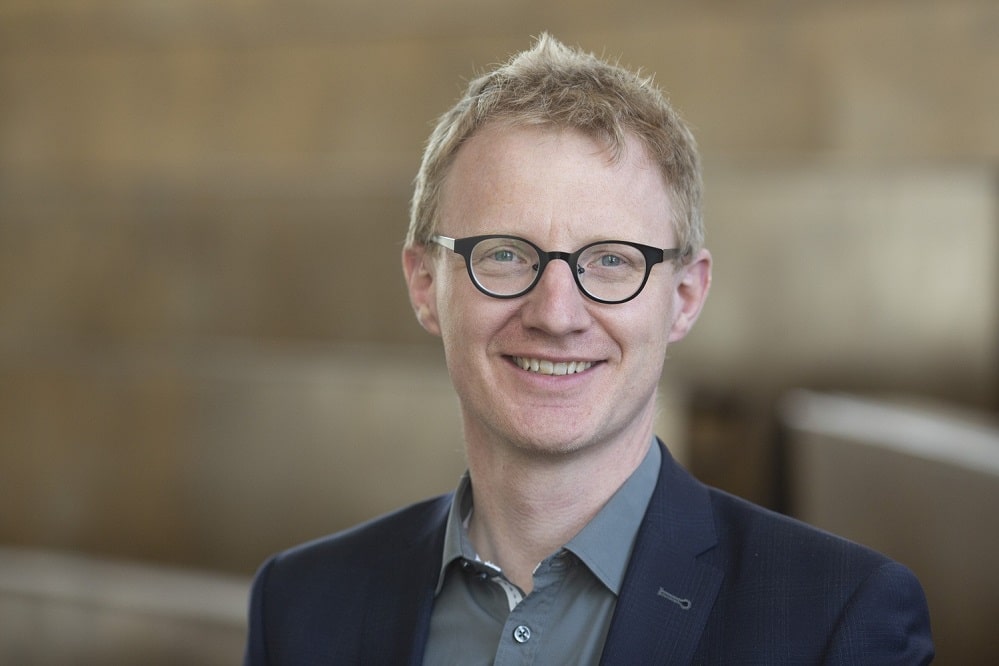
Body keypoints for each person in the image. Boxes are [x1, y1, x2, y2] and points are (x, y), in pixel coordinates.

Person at [244, 34, 934, 664]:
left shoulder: (839, 620)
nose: (556, 313)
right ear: (425, 285)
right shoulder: (299, 605)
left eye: (609, 260)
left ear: (684, 297)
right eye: (506, 254)